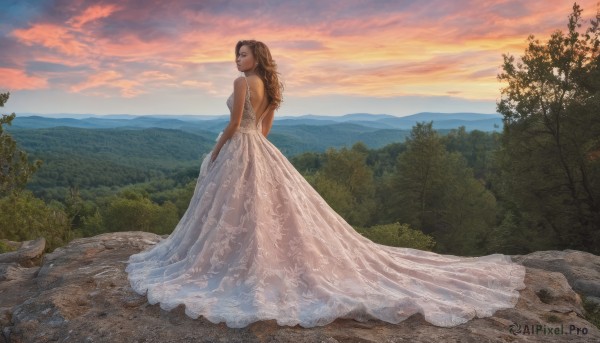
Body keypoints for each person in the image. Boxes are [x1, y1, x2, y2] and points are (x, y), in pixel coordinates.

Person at [125, 39, 526, 329]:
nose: (237, 60)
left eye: (243, 54)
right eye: (236, 55)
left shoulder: (242, 84)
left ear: (256, 57)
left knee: (236, 213)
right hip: (261, 151)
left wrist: (216, 153)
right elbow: (263, 131)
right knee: (263, 212)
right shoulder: (271, 89)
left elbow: (235, 125)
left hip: (238, 147)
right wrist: (255, 155)